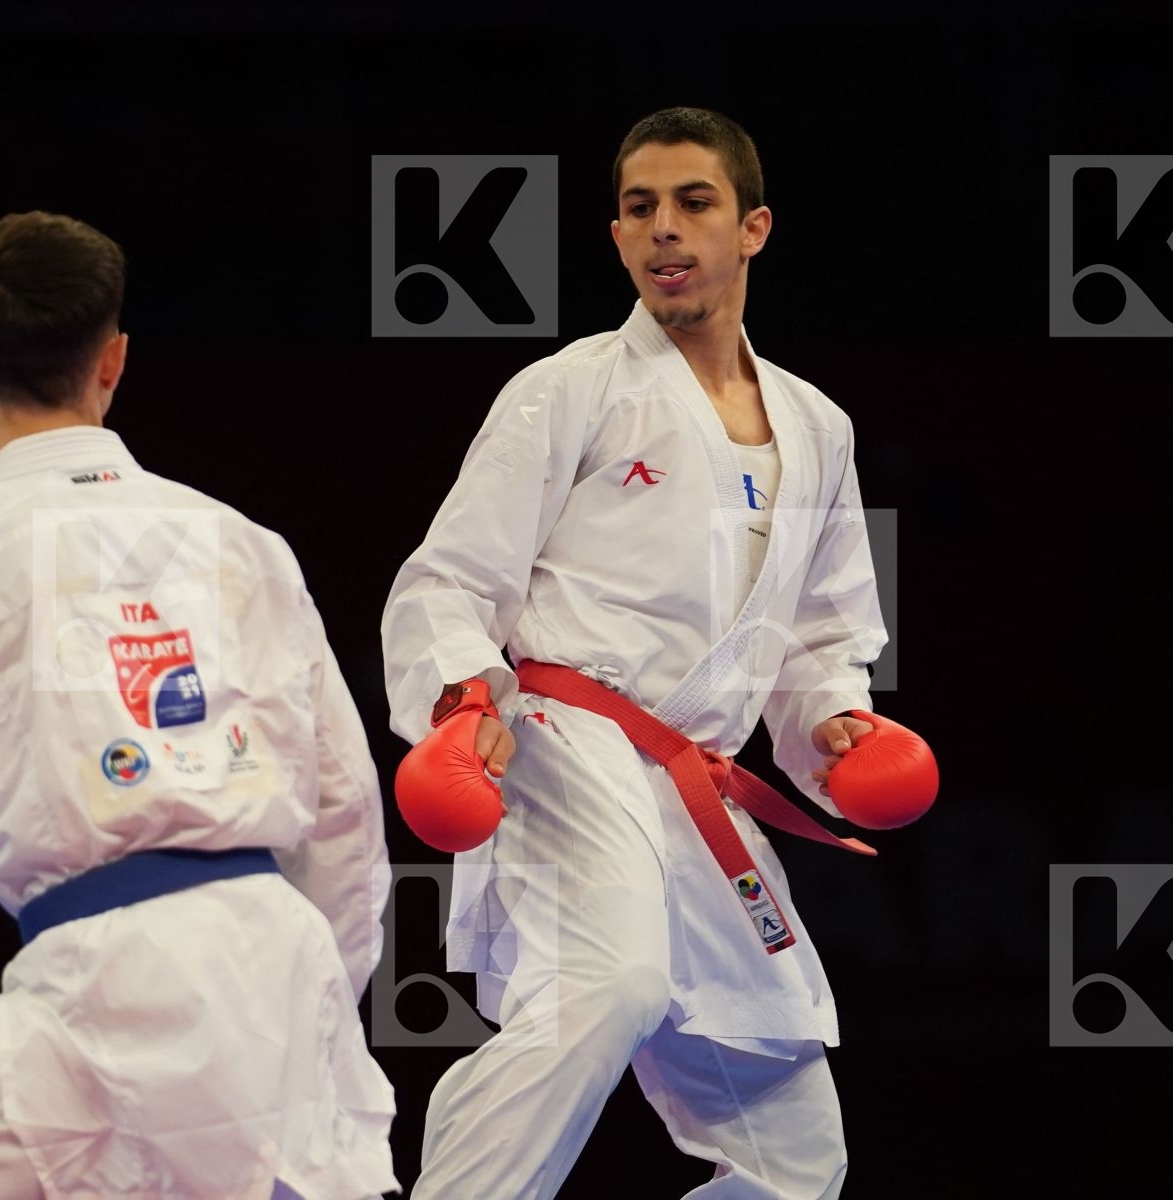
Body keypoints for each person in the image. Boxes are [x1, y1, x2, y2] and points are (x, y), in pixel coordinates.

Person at [0, 211, 398, 1200]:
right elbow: (343, 809)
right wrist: (303, 1002)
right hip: (266, 954)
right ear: (114, 359)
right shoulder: (243, 541)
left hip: (92, 970)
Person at [381, 107, 891, 1198]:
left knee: (795, 1151)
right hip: (573, 745)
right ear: (616, 239)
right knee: (608, 984)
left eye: (693, 204)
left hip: (698, 789)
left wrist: (832, 721)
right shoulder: (570, 390)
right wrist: (464, 697)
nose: (665, 229)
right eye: (639, 209)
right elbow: (448, 581)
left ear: (752, 227)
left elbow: (817, 632)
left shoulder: (818, 426)